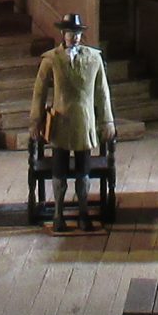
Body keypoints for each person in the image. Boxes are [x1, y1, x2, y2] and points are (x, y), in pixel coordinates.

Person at [30, 12, 115, 232]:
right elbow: (39, 91)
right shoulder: (51, 59)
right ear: (63, 34)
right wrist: (36, 120)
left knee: (83, 169)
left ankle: (83, 211)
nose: (74, 37)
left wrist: (107, 120)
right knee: (59, 169)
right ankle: (58, 213)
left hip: (84, 120)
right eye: (70, 33)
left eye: (77, 33)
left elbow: (102, 92)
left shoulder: (93, 58)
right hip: (61, 120)